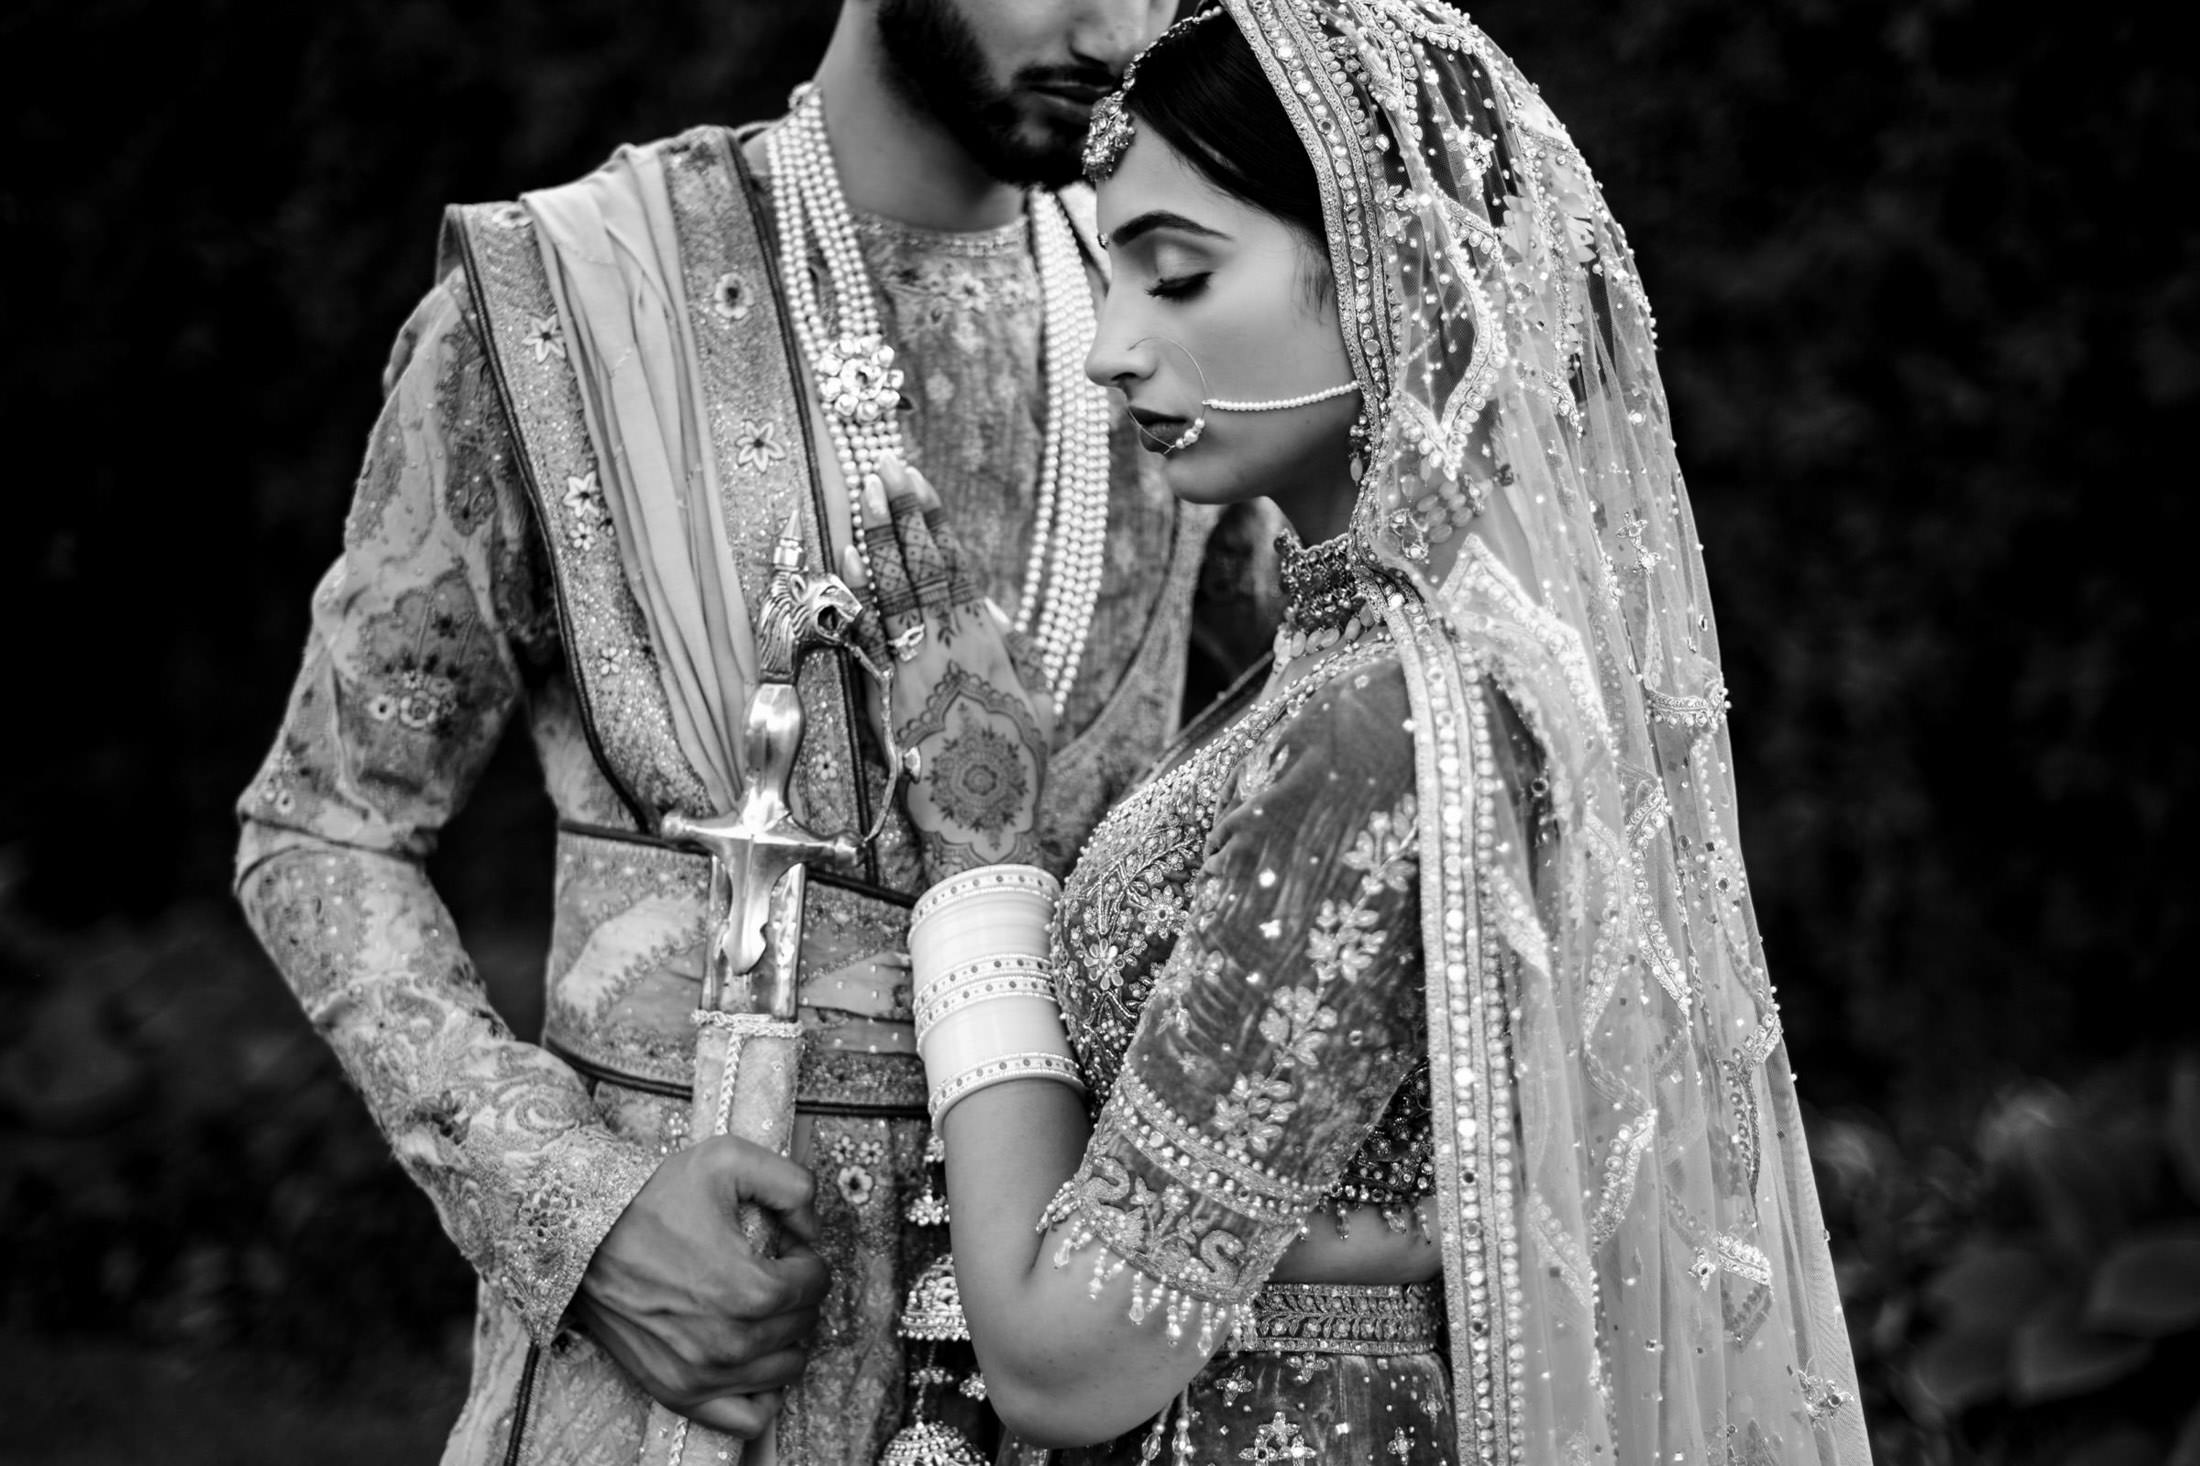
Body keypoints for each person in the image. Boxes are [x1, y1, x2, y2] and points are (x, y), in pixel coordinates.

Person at [230, 2, 1243, 1462]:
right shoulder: (572, 299)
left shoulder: (1186, 321)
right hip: (687, 1375)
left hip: (1078, 1357)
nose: (1120, 26)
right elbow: (326, 823)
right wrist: (572, 1206)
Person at [869, 3, 1876, 1463]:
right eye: (1109, 280)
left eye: (1175, 273)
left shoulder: (1373, 720)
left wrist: (976, 860)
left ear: (1392, 268)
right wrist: (1328, 1238)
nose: (1109, 348)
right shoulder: (1392, 663)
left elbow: (1061, 1362)